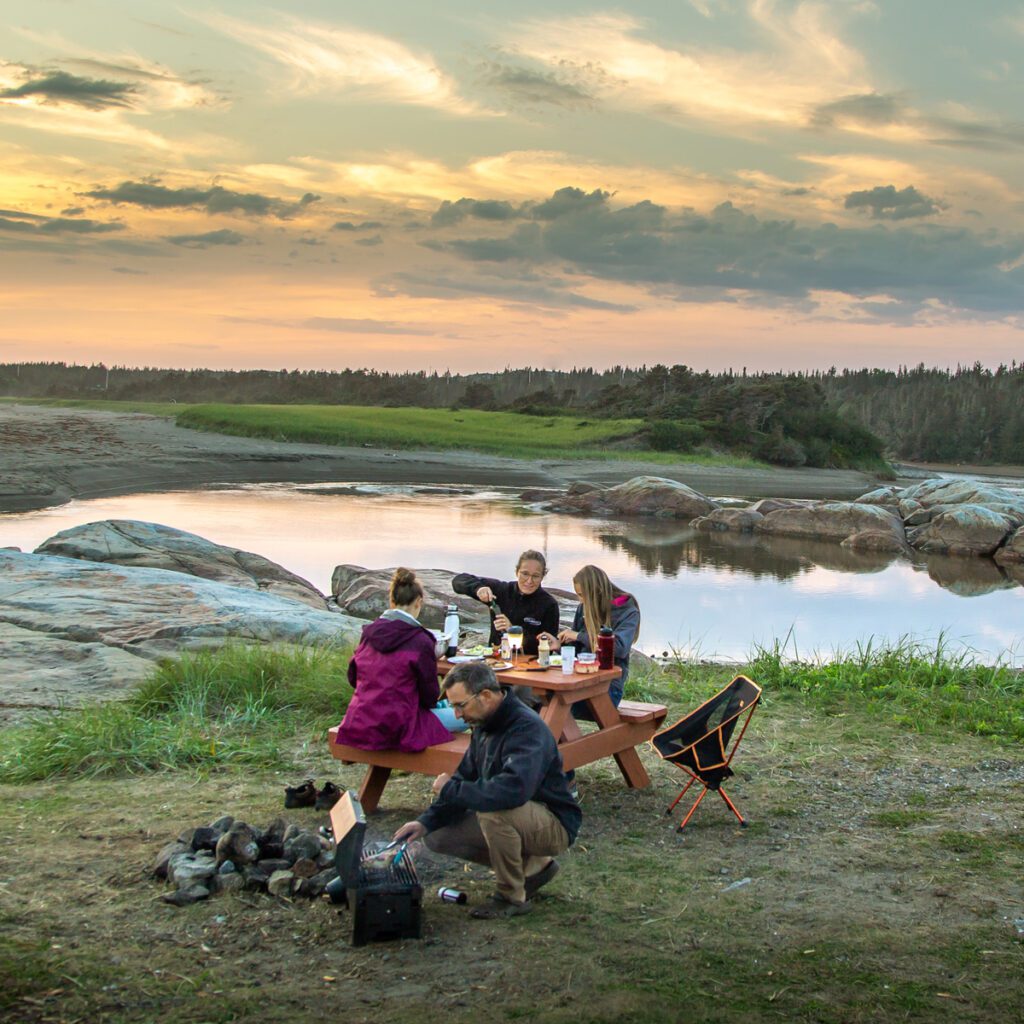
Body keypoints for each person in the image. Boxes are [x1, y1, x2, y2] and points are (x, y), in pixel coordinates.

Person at [392, 662, 581, 919]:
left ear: (486, 696)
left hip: (554, 822)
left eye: (460, 705)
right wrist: (425, 822)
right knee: (436, 835)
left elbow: (512, 792)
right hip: (520, 816)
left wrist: (450, 789)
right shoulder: (483, 725)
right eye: (453, 706)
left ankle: (511, 897)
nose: (457, 715)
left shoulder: (526, 729)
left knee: (494, 813)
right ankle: (533, 869)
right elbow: (464, 777)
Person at [336, 567, 466, 750]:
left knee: (447, 704)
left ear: (392, 601)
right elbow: (429, 697)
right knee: (468, 713)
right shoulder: (420, 640)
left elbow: (353, 678)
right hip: (400, 726)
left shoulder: (369, 634)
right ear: (419, 602)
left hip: (362, 719)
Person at [538, 564, 640, 708]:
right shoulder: (583, 608)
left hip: (608, 688)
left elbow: (620, 648)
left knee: (554, 704)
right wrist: (559, 646)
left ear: (597, 591)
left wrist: (578, 635)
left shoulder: (626, 610)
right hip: (578, 680)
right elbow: (577, 649)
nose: (580, 600)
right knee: (540, 697)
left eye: (581, 595)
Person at [452, 550, 560, 657]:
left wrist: (513, 630)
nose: (529, 581)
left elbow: (549, 646)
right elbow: (458, 580)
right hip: (496, 660)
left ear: (542, 576)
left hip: (531, 666)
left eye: (535, 576)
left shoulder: (549, 605)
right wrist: (478, 588)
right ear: (517, 572)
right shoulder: (502, 591)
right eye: (525, 574)